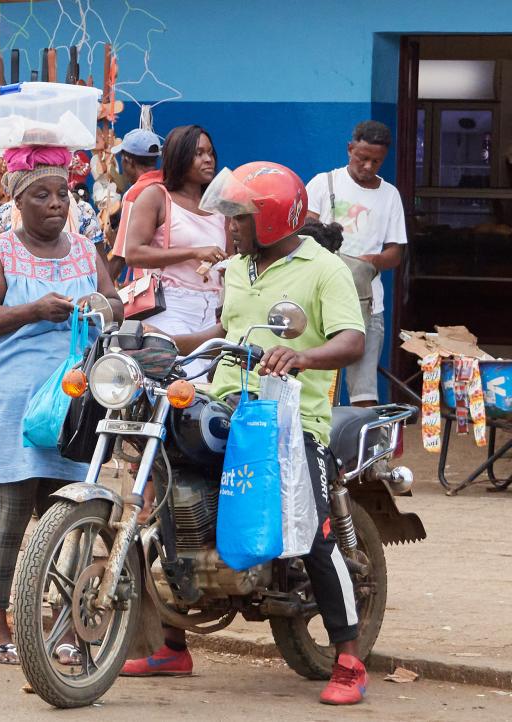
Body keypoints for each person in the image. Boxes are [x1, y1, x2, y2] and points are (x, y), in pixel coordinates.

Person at [121, 162, 369, 707]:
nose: (228, 226)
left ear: (276, 220)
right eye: (229, 216)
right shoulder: (236, 268)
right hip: (226, 404)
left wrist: (302, 356)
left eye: (239, 217)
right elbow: (227, 332)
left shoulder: (324, 269)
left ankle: (348, 657)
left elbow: (352, 340)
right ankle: (170, 643)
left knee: (313, 531)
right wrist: (164, 342)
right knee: (168, 494)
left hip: (291, 419)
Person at [0, 145, 123, 666]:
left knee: (70, 508)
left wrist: (101, 307)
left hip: (75, 398)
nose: (55, 204)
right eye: (42, 195)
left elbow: (115, 302)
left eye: (62, 194)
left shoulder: (83, 249)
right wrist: (33, 311)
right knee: (9, 510)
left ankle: (65, 626)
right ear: (17, 199)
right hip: (14, 396)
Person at [306, 120, 407, 407]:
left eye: (376, 161)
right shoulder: (323, 184)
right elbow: (304, 233)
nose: (368, 166)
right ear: (350, 149)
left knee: (364, 391)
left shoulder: (389, 196)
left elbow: (395, 253)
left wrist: (371, 262)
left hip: (367, 304)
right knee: (315, 384)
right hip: (319, 302)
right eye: (362, 158)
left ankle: (369, 450)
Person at [123, 125, 229, 373]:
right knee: (173, 382)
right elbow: (134, 253)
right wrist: (194, 253)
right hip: (169, 306)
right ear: (180, 157)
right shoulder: (156, 196)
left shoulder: (220, 206)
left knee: (198, 390)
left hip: (210, 312)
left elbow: (231, 254)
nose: (208, 160)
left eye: (211, 153)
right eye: (199, 153)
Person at [107, 127, 164, 280]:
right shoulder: (169, 184)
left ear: (128, 161)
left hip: (149, 285)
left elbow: (121, 255)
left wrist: (98, 291)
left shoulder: (135, 193)